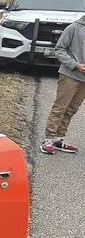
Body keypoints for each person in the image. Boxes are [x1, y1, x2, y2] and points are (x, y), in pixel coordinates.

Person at [41, 14, 85, 154]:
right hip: (70, 75)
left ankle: (59, 139)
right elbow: (59, 49)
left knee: (71, 110)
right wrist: (75, 65)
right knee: (60, 107)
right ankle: (48, 139)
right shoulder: (73, 28)